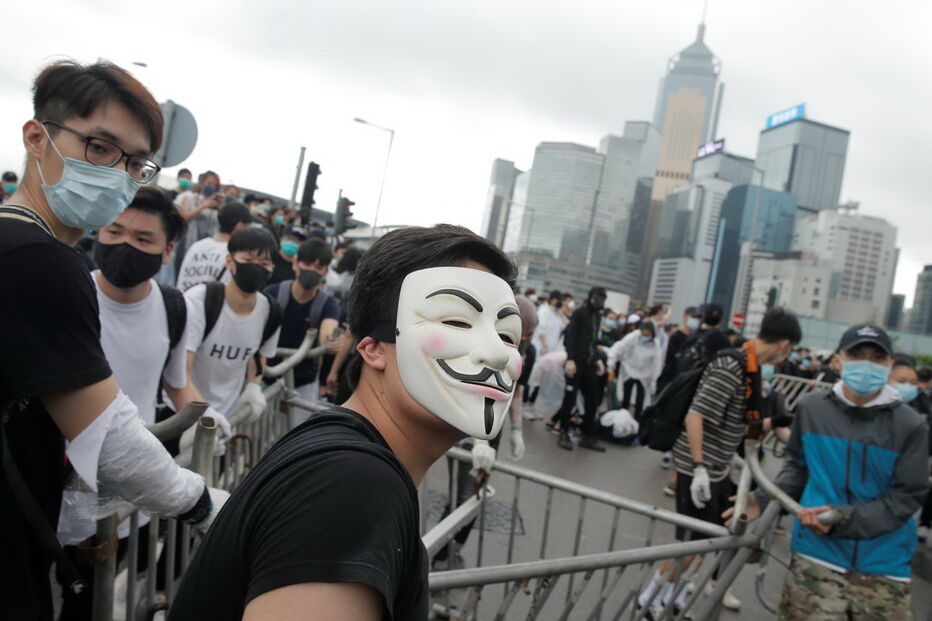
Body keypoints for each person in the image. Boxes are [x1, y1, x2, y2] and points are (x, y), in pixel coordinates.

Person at [169, 224, 522, 620]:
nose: (497, 354)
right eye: (457, 322)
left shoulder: (344, 461)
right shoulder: (351, 486)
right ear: (372, 349)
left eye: (509, 336)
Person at [0, 60, 226, 620]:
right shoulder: (41, 261)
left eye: (135, 163)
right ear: (37, 136)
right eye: (99, 147)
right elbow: (111, 439)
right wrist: (205, 503)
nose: (116, 174)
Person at [733, 325, 929, 620]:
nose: (866, 363)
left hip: (884, 564)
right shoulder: (811, 408)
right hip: (816, 553)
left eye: (877, 357)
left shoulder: (910, 425)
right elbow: (797, 469)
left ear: (889, 366)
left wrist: (841, 517)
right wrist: (763, 499)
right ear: (837, 360)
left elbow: (907, 496)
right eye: (856, 354)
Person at [637, 307, 801, 615]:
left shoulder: (750, 369)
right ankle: (650, 597)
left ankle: (671, 594)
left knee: (707, 537)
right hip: (697, 467)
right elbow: (696, 415)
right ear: (785, 345)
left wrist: (777, 420)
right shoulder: (732, 366)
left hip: (716, 467)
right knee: (692, 542)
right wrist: (698, 468)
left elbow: (740, 424)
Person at [184, 227, 282, 422]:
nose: (256, 268)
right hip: (183, 415)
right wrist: (198, 418)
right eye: (247, 260)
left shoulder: (270, 311)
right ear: (230, 261)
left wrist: (254, 386)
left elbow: (258, 357)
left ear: (271, 269)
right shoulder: (199, 302)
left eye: (264, 263)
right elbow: (181, 371)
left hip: (227, 419)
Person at [263, 239, 340, 418]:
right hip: (266, 377)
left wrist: (330, 341)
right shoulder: (273, 293)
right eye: (307, 264)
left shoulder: (328, 304)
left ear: (325, 272)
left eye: (319, 267)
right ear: (296, 263)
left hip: (303, 382)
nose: (312, 270)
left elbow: (328, 331)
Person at [556, 287, 608, 452]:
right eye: (599, 298)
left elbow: (593, 341)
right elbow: (570, 336)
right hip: (576, 362)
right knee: (569, 399)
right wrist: (570, 359)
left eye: (604, 298)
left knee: (593, 399)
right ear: (592, 297)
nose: (601, 301)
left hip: (590, 364)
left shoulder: (598, 316)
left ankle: (587, 435)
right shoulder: (580, 313)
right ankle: (563, 433)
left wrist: (598, 360)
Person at [175, 201, 252, 291]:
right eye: (248, 226)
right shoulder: (235, 254)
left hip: (185, 300)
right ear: (240, 226)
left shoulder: (197, 246)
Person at [172, 170, 225, 278]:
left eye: (215, 185)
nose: (212, 187)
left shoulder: (216, 204)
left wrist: (221, 206)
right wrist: (204, 205)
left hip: (205, 250)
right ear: (201, 183)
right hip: (185, 244)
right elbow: (184, 217)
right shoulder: (189, 197)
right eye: (209, 184)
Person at [608, 321, 663, 419]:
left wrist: (654, 379)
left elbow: (657, 362)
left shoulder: (656, 344)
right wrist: (612, 358)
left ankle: (637, 421)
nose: (645, 336)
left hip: (644, 374)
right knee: (626, 397)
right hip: (629, 370)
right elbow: (619, 346)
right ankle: (622, 419)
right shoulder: (633, 336)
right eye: (643, 334)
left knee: (640, 400)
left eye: (647, 335)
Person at [534, 290, 565, 356]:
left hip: (551, 350)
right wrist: (545, 347)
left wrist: (561, 314)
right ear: (553, 300)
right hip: (541, 348)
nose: (560, 302)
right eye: (559, 300)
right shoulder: (544, 311)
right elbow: (541, 331)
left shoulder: (557, 313)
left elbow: (566, 326)